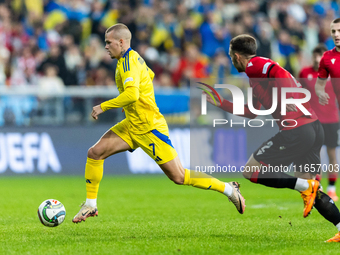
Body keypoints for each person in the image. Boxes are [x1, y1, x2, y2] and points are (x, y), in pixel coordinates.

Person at [72, 23, 246, 223]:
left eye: (108, 42)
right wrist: (132, 104)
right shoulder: (131, 58)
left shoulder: (128, 63)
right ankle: (90, 205)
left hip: (149, 127)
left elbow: (132, 93)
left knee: (179, 177)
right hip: (132, 124)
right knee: (95, 153)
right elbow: (150, 76)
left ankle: (228, 188)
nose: (105, 46)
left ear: (121, 42)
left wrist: (104, 106)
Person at [206, 34, 340, 242]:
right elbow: (252, 111)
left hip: (297, 130)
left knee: (251, 171)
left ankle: (306, 187)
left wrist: (287, 96)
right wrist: (222, 103)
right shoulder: (257, 78)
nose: (233, 62)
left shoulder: (254, 65)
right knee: (311, 186)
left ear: (237, 56)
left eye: (232, 57)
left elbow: (278, 71)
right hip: (313, 127)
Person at [299, 44, 339, 202]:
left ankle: (332, 188)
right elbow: (298, 94)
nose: (317, 59)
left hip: (332, 120)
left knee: (332, 155)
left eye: (320, 56)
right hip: (313, 121)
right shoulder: (304, 73)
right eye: (315, 55)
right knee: (314, 155)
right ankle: (318, 186)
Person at [315, 18, 340, 242]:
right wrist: (321, 91)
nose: (337, 34)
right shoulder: (327, 58)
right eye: (334, 31)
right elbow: (319, 83)